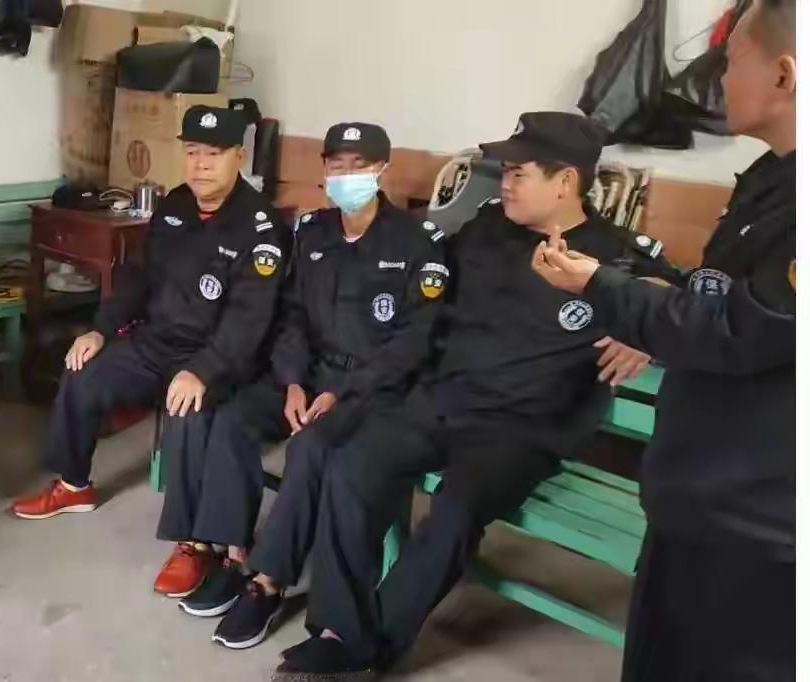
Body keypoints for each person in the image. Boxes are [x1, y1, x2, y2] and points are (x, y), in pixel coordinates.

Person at [271, 111, 680, 679]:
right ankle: (339, 631)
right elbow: (422, 273)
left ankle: (365, 650)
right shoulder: (487, 228)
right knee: (350, 465)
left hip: (522, 428)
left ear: (565, 181)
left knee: (455, 511)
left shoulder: (613, 257)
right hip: (443, 401)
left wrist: (645, 323)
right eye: (504, 172)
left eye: (519, 173)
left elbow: (694, 301)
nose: (504, 183)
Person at [533, 2, 795, 679]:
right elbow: (723, 293)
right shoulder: (772, 177)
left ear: (784, 75)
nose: (717, 80)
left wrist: (602, 287)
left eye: (730, 62)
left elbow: (742, 330)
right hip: (698, 492)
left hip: (760, 521)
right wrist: (653, 288)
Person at [151, 123, 447, 649]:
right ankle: (231, 553)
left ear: (382, 169)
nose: (346, 175)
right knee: (232, 417)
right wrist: (291, 382)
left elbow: (414, 341)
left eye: (359, 165)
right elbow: (291, 316)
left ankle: (267, 583)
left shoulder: (417, 241)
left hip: (372, 386)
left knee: (312, 444)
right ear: (325, 170)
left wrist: (345, 391)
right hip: (308, 376)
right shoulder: (313, 232)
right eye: (336, 165)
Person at [11, 106, 291, 519]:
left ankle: (193, 537)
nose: (201, 164)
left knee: (189, 409)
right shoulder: (175, 206)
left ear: (239, 156)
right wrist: (100, 330)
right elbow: (137, 278)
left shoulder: (261, 227)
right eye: (193, 152)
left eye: (214, 154)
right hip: (158, 342)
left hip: (216, 355)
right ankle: (74, 486)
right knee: (83, 370)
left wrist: (205, 370)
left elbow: (250, 320)